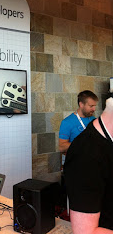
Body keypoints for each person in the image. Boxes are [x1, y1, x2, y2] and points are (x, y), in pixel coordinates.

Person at [64, 97, 113, 233]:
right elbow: (86, 231)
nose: (93, 109)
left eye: (94, 106)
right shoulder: (85, 154)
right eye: (90, 105)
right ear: (81, 104)